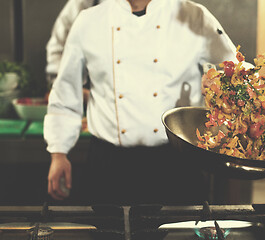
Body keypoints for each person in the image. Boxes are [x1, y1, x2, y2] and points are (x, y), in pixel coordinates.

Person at [44, 0, 244, 205]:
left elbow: (236, 71)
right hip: (108, 165)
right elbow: (66, 93)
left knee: (180, 235)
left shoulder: (195, 16)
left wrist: (229, 94)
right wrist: (58, 153)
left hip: (177, 163)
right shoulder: (89, 21)